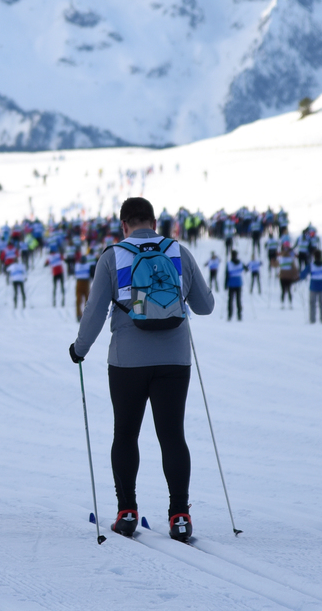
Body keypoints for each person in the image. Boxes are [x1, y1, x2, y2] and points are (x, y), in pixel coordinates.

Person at [69, 197, 214, 543]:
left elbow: (95, 311)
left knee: (126, 434)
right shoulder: (177, 251)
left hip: (127, 360)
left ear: (124, 225)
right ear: (154, 221)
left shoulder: (113, 256)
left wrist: (80, 349)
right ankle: (180, 515)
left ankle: (127, 511)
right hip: (175, 359)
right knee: (172, 435)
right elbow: (205, 306)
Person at [301, 252, 322, 324]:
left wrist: (298, 277)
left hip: (313, 287)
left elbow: (303, 274)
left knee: (312, 303)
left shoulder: (311, 265)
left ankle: (312, 319)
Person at [225, 251, 245, 322]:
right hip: (238, 283)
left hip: (231, 283)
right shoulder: (240, 263)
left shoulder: (229, 263)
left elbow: (226, 274)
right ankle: (239, 315)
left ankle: (229, 315)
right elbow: (246, 269)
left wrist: (225, 284)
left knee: (230, 300)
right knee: (238, 300)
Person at [74, 254, 92, 322]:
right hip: (86, 283)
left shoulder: (77, 266)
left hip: (79, 282)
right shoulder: (88, 265)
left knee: (78, 300)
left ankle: (79, 314)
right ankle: (87, 314)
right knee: (87, 300)